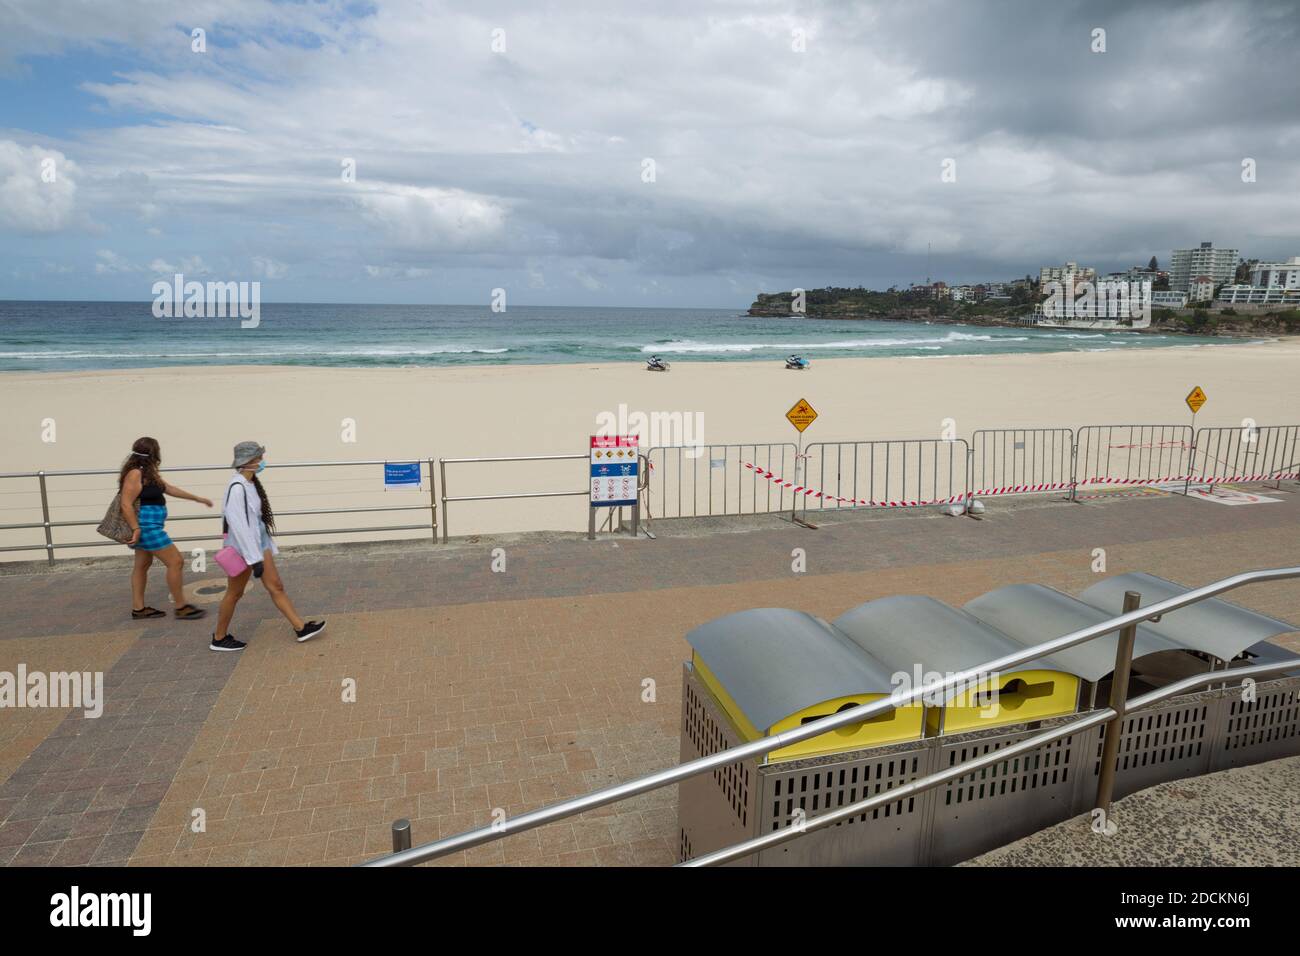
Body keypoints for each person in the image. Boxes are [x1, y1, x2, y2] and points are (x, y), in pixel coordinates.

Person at [211, 441, 325, 651]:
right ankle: (219, 638)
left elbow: (254, 522)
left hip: (259, 544)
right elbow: (240, 527)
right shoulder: (237, 488)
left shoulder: (250, 484)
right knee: (234, 593)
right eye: (258, 458)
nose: (262, 462)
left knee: (276, 585)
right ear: (248, 462)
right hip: (244, 549)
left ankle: (300, 628)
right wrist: (254, 560)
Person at [118, 437, 212, 620]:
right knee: (176, 562)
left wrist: (196, 498)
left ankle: (138, 609)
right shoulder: (135, 474)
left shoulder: (148, 472)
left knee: (142, 565)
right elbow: (125, 504)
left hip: (149, 526)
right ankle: (181, 606)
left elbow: (168, 488)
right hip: (147, 527)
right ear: (154, 453)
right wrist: (136, 529)